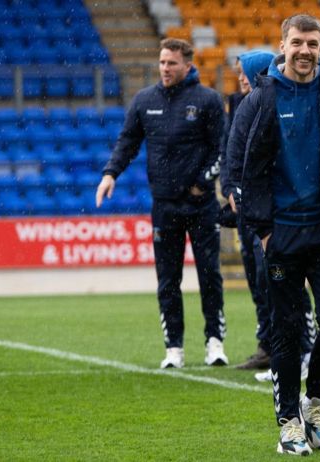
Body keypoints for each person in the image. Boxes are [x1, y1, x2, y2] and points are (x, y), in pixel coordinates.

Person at [226, 14, 320, 456]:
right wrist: (264, 232)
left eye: (312, 43)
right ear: (282, 46)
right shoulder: (260, 100)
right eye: (297, 42)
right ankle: (289, 422)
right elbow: (240, 168)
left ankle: (315, 402)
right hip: (282, 234)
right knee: (286, 332)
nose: (305, 50)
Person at [95, 38, 229, 369]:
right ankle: (174, 348)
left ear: (187, 65)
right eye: (161, 62)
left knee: (209, 274)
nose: (164, 68)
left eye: (171, 63)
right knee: (168, 280)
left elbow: (221, 150)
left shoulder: (208, 100)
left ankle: (215, 342)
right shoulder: (145, 100)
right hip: (164, 206)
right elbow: (128, 142)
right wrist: (111, 173)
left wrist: (201, 183)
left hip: (200, 206)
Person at [222, 49, 317, 372]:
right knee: (263, 282)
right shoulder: (242, 104)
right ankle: (273, 348)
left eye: (243, 74)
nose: (240, 79)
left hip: (281, 211)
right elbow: (233, 154)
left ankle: (305, 349)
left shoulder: (280, 103)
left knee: (283, 281)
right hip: (254, 211)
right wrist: (231, 190)